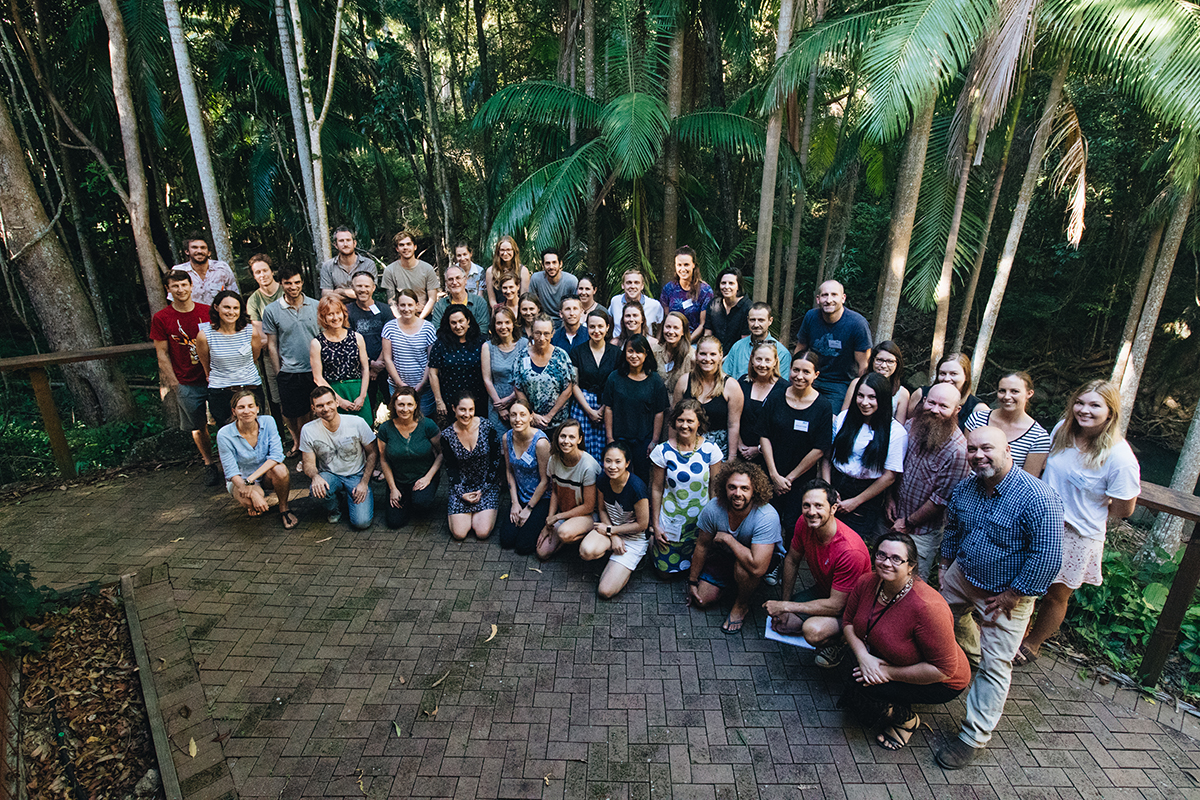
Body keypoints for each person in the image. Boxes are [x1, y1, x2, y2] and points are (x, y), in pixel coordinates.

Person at [934, 425, 1064, 770]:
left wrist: (1013, 594)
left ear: (1008, 450)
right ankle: (967, 653)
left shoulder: (1037, 497)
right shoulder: (965, 488)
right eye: (972, 450)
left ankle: (973, 736)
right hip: (963, 573)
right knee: (941, 617)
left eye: (987, 448)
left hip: (1007, 593)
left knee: (995, 665)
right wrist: (946, 564)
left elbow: (1048, 555)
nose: (979, 456)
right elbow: (954, 528)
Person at [1017, 380, 1140, 666]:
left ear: (1110, 413)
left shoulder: (1119, 457)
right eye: (1080, 402)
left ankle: (1034, 642)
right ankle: (1013, 632)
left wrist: (1088, 509)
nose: (1084, 410)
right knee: (1023, 583)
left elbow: (1124, 508)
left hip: (1078, 533)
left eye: (1095, 405)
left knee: (1055, 595)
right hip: (1041, 522)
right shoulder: (1063, 430)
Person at [841, 532, 971, 751]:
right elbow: (847, 622)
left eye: (896, 559)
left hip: (940, 680)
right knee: (851, 668)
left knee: (861, 692)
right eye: (881, 555)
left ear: (911, 566)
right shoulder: (867, 582)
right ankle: (892, 694)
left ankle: (906, 720)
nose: (886, 563)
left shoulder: (929, 608)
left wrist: (887, 672)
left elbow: (944, 670)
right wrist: (864, 657)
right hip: (888, 658)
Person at [764, 480, 871, 665]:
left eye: (819, 506)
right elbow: (791, 560)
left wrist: (786, 607)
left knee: (812, 631)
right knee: (782, 624)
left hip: (852, 609)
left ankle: (844, 641)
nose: (811, 512)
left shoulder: (850, 551)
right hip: (826, 593)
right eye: (807, 505)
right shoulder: (803, 523)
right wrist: (785, 602)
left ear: (833, 509)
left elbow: (837, 606)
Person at [687, 461, 783, 634]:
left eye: (744, 488)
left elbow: (758, 566)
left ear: (755, 490)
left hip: (758, 560)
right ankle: (731, 585)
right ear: (724, 487)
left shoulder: (766, 516)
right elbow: (702, 545)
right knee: (702, 600)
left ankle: (741, 604)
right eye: (732, 487)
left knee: (745, 570)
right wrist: (692, 581)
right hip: (724, 556)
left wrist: (728, 539)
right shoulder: (714, 508)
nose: (737, 493)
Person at [890, 383, 971, 579]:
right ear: (924, 401)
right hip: (891, 517)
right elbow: (894, 466)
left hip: (921, 531)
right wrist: (889, 500)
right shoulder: (911, 426)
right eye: (931, 402)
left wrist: (907, 522)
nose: (935, 410)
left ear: (956, 410)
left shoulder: (958, 451)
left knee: (912, 581)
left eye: (943, 406)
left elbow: (940, 500)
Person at [150, 270, 218, 485]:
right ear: (167, 289)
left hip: (215, 378)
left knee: (227, 420)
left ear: (191, 286)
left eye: (183, 285)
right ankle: (209, 463)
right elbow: (162, 353)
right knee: (198, 426)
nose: (180, 290)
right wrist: (174, 384)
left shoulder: (207, 312)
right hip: (186, 381)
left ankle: (233, 463)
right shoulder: (162, 318)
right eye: (175, 286)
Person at [758, 352, 834, 540]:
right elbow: (763, 435)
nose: (799, 376)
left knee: (794, 525)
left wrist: (789, 478)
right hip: (770, 473)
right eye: (796, 370)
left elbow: (820, 448)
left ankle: (788, 564)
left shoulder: (823, 406)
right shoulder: (775, 397)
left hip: (800, 481)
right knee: (766, 521)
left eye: (806, 372)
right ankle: (768, 563)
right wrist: (775, 475)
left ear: (816, 375)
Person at [825, 372, 907, 540]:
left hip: (865, 496)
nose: (864, 402)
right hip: (835, 484)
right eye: (860, 396)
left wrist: (855, 501)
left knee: (850, 546)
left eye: (872, 397)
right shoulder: (843, 419)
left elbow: (890, 476)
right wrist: (828, 489)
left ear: (883, 399)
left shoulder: (896, 433)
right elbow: (826, 457)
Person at [649, 400, 723, 576]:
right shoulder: (662, 451)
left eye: (690, 421)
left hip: (700, 521)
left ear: (699, 422)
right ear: (674, 421)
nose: (685, 425)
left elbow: (715, 488)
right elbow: (657, 488)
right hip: (672, 519)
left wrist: (715, 523)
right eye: (680, 420)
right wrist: (656, 524)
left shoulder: (711, 450)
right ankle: (652, 540)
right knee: (664, 574)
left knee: (698, 567)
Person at [262, 266, 321, 457]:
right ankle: (297, 440)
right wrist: (278, 371)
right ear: (281, 284)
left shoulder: (316, 305)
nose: (293, 287)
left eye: (297, 282)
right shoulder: (272, 310)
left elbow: (322, 337)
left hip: (313, 368)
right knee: (289, 411)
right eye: (288, 283)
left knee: (308, 410)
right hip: (288, 369)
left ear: (302, 282)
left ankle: (307, 446)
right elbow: (272, 344)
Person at [580, 442, 652, 598]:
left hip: (634, 537)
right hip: (611, 528)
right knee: (586, 551)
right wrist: (613, 535)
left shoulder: (637, 488)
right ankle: (613, 554)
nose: (612, 466)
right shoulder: (602, 480)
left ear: (627, 463)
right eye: (608, 461)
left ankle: (632, 562)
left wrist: (611, 531)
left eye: (618, 462)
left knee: (605, 591)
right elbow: (602, 509)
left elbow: (642, 524)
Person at [216, 389, 297, 529]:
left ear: (257, 408)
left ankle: (284, 509)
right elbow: (231, 472)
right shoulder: (224, 434)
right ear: (234, 411)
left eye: (250, 406)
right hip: (239, 480)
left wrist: (251, 480)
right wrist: (250, 491)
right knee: (251, 502)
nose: (246, 411)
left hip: (261, 476)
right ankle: (254, 501)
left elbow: (277, 455)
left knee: (281, 469)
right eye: (241, 407)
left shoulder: (268, 422)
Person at [300, 386, 377, 529]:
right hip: (330, 475)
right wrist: (315, 477)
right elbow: (308, 464)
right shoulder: (308, 430)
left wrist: (365, 482)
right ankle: (334, 506)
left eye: (329, 403)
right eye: (320, 405)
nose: (325, 408)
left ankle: (353, 496)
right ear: (313, 408)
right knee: (316, 491)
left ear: (336, 403)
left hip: (356, 475)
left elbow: (372, 453)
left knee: (361, 523)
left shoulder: (356, 422)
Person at [603, 335, 669, 484]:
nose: (634, 356)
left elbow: (659, 412)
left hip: (643, 439)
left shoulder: (655, 380)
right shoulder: (614, 378)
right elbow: (608, 408)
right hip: (619, 438)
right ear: (624, 353)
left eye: (639, 352)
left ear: (646, 354)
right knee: (617, 476)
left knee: (642, 477)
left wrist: (654, 440)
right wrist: (610, 438)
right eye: (630, 351)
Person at [794, 280, 871, 408]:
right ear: (818, 299)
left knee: (829, 420)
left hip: (840, 384)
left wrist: (861, 393)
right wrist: (795, 375)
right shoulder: (811, 317)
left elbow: (864, 365)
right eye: (825, 295)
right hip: (811, 378)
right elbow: (800, 348)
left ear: (843, 298)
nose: (829, 300)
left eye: (834, 295)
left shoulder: (857, 324)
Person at [375, 388, 442, 529]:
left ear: (416, 405)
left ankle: (415, 499)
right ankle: (404, 497)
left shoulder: (427, 425)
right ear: (394, 405)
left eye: (409, 405)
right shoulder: (385, 429)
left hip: (423, 476)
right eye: (401, 405)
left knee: (422, 503)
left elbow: (442, 453)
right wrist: (393, 488)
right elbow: (384, 460)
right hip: (398, 479)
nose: (405, 409)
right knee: (394, 522)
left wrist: (428, 478)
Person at [963, 372, 1050, 476]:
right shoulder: (977, 419)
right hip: (969, 487)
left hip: (1009, 491)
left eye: (1014, 391)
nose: (1007, 396)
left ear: (1029, 393)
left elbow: (1028, 481)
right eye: (1002, 391)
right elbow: (964, 462)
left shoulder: (1038, 437)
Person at [197, 290, 264, 425]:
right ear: (216, 308)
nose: (231, 312)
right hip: (221, 392)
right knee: (227, 434)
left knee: (255, 430)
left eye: (235, 308)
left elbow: (254, 357)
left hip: (250, 388)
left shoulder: (250, 331)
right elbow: (206, 363)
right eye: (227, 307)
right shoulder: (205, 335)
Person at [536, 419, 600, 559]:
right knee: (542, 552)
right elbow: (555, 491)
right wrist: (549, 520)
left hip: (588, 516)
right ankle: (567, 537)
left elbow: (589, 506)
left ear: (579, 439)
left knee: (565, 533)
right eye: (563, 436)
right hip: (566, 514)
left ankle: (586, 536)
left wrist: (557, 517)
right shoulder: (554, 460)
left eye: (572, 437)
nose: (566, 441)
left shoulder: (588, 466)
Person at [441, 394, 502, 540]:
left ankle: (488, 507)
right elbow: (451, 468)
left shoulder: (487, 426)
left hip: (486, 484)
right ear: (454, 409)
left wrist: (484, 488)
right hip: (461, 486)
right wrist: (461, 492)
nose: (466, 414)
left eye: (470, 409)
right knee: (459, 534)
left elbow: (496, 459)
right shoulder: (447, 435)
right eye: (462, 409)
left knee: (482, 533)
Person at [497, 401, 552, 554]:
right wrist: (514, 503)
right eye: (513, 415)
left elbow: (545, 480)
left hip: (541, 498)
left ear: (531, 417)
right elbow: (509, 471)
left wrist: (528, 509)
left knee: (523, 547)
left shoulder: (540, 443)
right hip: (520, 496)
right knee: (506, 540)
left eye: (522, 414)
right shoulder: (506, 438)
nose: (517, 419)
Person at [309, 296, 371, 426]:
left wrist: (362, 396)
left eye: (338, 313)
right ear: (323, 317)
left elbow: (365, 369)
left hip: (357, 391)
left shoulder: (357, 337)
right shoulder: (317, 343)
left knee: (365, 430)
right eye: (330, 314)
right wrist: (338, 400)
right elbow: (318, 378)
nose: (335, 317)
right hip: (333, 392)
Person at [675, 336, 742, 458]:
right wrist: (672, 447)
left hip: (719, 451)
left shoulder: (731, 386)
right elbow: (673, 417)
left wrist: (732, 457)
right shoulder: (684, 381)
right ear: (696, 355)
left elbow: (733, 425)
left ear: (721, 355)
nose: (708, 359)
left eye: (713, 354)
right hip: (686, 447)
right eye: (703, 354)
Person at [569, 309, 620, 461]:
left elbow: (618, 383)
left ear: (607, 327)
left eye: (600, 326)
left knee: (607, 448)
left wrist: (604, 407)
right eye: (592, 327)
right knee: (581, 449)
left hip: (609, 405)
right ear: (587, 327)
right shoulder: (577, 351)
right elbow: (574, 384)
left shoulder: (616, 353)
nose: (596, 331)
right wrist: (590, 410)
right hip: (583, 405)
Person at [344, 270, 395, 415]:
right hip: (359, 368)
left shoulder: (384, 309)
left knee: (392, 402)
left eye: (367, 286)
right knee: (366, 406)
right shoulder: (347, 311)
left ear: (373, 288)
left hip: (386, 365)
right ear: (353, 288)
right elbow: (349, 341)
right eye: (359, 286)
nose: (363, 290)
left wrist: (378, 364)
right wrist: (370, 364)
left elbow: (390, 337)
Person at [514, 316, 576, 429]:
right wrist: (532, 415)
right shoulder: (522, 357)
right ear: (532, 333)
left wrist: (549, 416)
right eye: (538, 333)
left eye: (546, 333)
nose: (542, 338)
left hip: (558, 423)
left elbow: (568, 389)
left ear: (552, 334)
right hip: (530, 423)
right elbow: (518, 388)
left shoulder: (561, 356)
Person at [429, 304, 488, 423]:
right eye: (453, 323)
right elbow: (432, 373)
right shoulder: (441, 344)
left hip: (479, 399)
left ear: (468, 320)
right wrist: (439, 401)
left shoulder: (481, 341)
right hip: (451, 401)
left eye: (461, 321)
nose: (458, 326)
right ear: (448, 324)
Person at [381, 289, 437, 414]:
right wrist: (399, 383)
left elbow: (431, 359)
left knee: (424, 420)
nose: (406, 309)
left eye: (410, 305)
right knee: (401, 419)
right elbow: (388, 359)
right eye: (403, 305)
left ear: (417, 305)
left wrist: (422, 383)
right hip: (397, 387)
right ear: (397, 306)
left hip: (423, 388)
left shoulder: (428, 328)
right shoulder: (389, 328)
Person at [246, 255, 284, 421]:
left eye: (265, 270)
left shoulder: (287, 289)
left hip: (296, 349)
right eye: (257, 272)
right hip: (270, 352)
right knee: (278, 395)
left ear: (272, 271)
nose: (262, 275)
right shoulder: (254, 300)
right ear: (254, 275)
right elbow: (261, 336)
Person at [735, 341, 785, 466]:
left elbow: (782, 429)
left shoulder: (784, 389)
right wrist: (739, 443)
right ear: (752, 360)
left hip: (770, 458)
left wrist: (758, 449)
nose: (762, 365)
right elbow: (733, 417)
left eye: (767, 360)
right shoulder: (742, 383)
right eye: (758, 359)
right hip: (740, 452)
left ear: (775, 362)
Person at [908, 352, 982, 430]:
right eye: (942, 373)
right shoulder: (920, 394)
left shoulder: (978, 409)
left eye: (953, 374)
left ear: (966, 376)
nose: (946, 379)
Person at [481, 307, 527, 429]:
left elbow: (526, 376)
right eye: (499, 323)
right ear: (494, 326)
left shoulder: (524, 344)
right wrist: (499, 406)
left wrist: (510, 398)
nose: (503, 326)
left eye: (507, 322)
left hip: (519, 397)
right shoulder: (488, 346)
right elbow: (487, 379)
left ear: (513, 324)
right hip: (496, 399)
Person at [842, 341, 909, 424]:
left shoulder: (902, 393)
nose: (884, 365)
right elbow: (844, 416)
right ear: (872, 360)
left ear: (897, 364)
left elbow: (899, 427)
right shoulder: (856, 384)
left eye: (890, 361)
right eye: (879, 360)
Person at [723, 302, 791, 380]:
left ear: (770, 321)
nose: (756, 325)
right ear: (747, 320)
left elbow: (782, 386)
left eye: (761, 320)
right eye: (752, 320)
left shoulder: (782, 353)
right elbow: (725, 376)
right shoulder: (738, 347)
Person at [659, 246, 713, 341]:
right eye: (679, 265)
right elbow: (666, 319)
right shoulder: (668, 289)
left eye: (686, 264)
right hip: (671, 339)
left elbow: (702, 324)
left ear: (693, 265)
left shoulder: (705, 291)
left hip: (693, 342)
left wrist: (687, 342)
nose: (683, 269)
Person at [381, 231, 439, 318]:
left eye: (408, 244)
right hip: (400, 315)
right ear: (397, 249)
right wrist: (400, 320)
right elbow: (391, 301)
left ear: (415, 247)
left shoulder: (427, 269)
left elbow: (432, 299)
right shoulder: (390, 270)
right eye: (401, 245)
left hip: (423, 315)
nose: (405, 247)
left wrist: (419, 319)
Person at [170, 232, 237, 305]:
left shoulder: (222, 268)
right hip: (191, 315)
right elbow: (173, 300)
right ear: (187, 251)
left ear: (209, 252)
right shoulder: (179, 271)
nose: (199, 251)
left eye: (203, 248)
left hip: (219, 314)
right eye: (194, 247)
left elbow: (234, 295)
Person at [320, 225, 378, 301]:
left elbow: (368, 293)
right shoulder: (327, 266)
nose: (345, 244)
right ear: (335, 245)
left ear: (354, 243)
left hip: (364, 309)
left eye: (348, 240)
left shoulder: (368, 264)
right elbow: (326, 296)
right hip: (338, 310)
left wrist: (341, 291)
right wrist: (355, 295)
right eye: (341, 241)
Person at [430, 264, 491, 334]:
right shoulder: (440, 306)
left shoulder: (479, 302)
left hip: (475, 344)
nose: (454, 282)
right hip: (448, 344)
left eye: (458, 278)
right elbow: (437, 331)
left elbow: (483, 330)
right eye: (450, 279)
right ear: (446, 283)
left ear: (465, 280)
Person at [528, 248, 578, 328]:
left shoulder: (571, 281)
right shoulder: (536, 279)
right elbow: (531, 303)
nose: (551, 267)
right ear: (542, 265)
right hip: (543, 322)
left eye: (554, 262)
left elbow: (576, 308)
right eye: (547, 263)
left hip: (565, 322)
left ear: (560, 264)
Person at [704, 267, 750, 353]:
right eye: (723, 283)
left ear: (738, 286)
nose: (726, 287)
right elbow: (707, 335)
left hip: (737, 356)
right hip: (713, 355)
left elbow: (744, 343)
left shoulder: (747, 308)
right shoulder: (713, 305)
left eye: (731, 283)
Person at [608, 269, 665, 338]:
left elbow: (661, 323)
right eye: (629, 282)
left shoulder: (654, 305)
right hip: (619, 346)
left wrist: (657, 340)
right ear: (623, 285)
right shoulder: (615, 301)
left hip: (643, 346)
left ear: (642, 286)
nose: (632, 286)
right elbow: (609, 321)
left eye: (636, 282)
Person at [484, 235, 530, 308]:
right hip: (499, 310)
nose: (505, 253)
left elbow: (523, 297)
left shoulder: (523, 271)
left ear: (514, 251)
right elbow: (492, 300)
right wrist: (500, 312)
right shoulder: (490, 271)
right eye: (502, 250)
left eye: (508, 250)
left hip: (518, 309)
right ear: (498, 252)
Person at [653, 311, 694, 390]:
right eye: (668, 327)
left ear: (683, 331)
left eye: (676, 328)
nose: (671, 332)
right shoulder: (654, 352)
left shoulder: (691, 356)